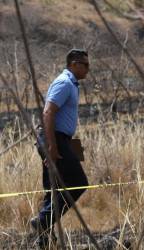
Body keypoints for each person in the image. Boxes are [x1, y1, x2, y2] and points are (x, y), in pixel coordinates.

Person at [31, 49, 90, 248]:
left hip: (62, 139)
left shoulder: (73, 84)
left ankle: (44, 239)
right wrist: (51, 146)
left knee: (52, 190)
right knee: (79, 183)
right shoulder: (64, 82)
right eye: (85, 65)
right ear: (73, 64)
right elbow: (48, 113)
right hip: (54, 139)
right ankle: (42, 222)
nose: (88, 69)